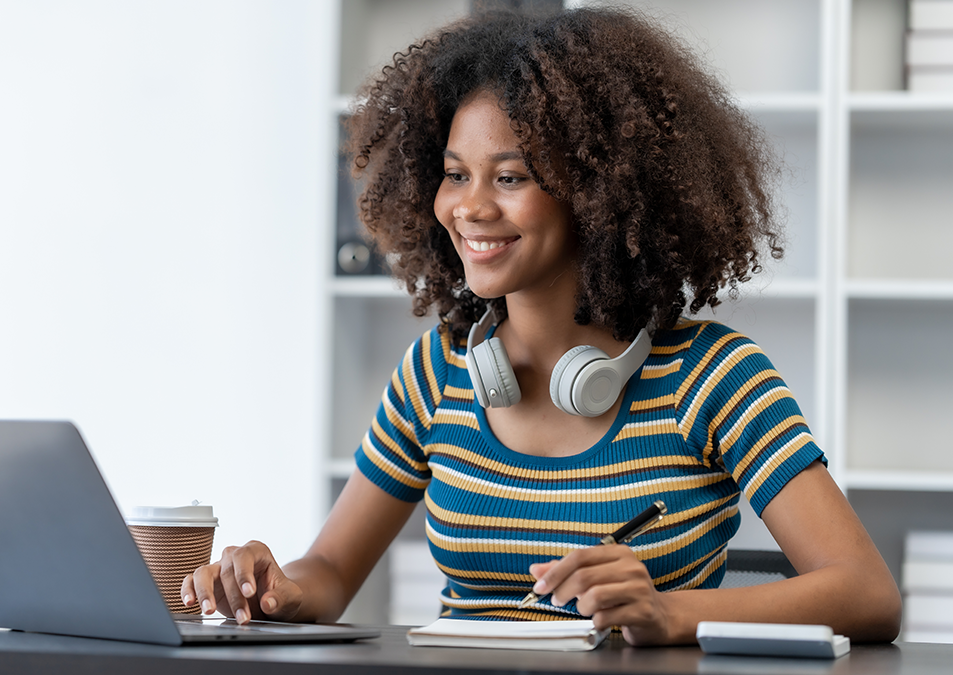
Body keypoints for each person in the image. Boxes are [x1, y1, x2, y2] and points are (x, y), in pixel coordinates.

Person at [181, 6, 902, 645]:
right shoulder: (436, 373)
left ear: (598, 193)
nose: (469, 207)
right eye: (456, 173)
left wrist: (671, 611)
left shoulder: (714, 376)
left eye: (511, 177)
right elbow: (333, 572)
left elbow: (867, 593)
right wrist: (273, 585)